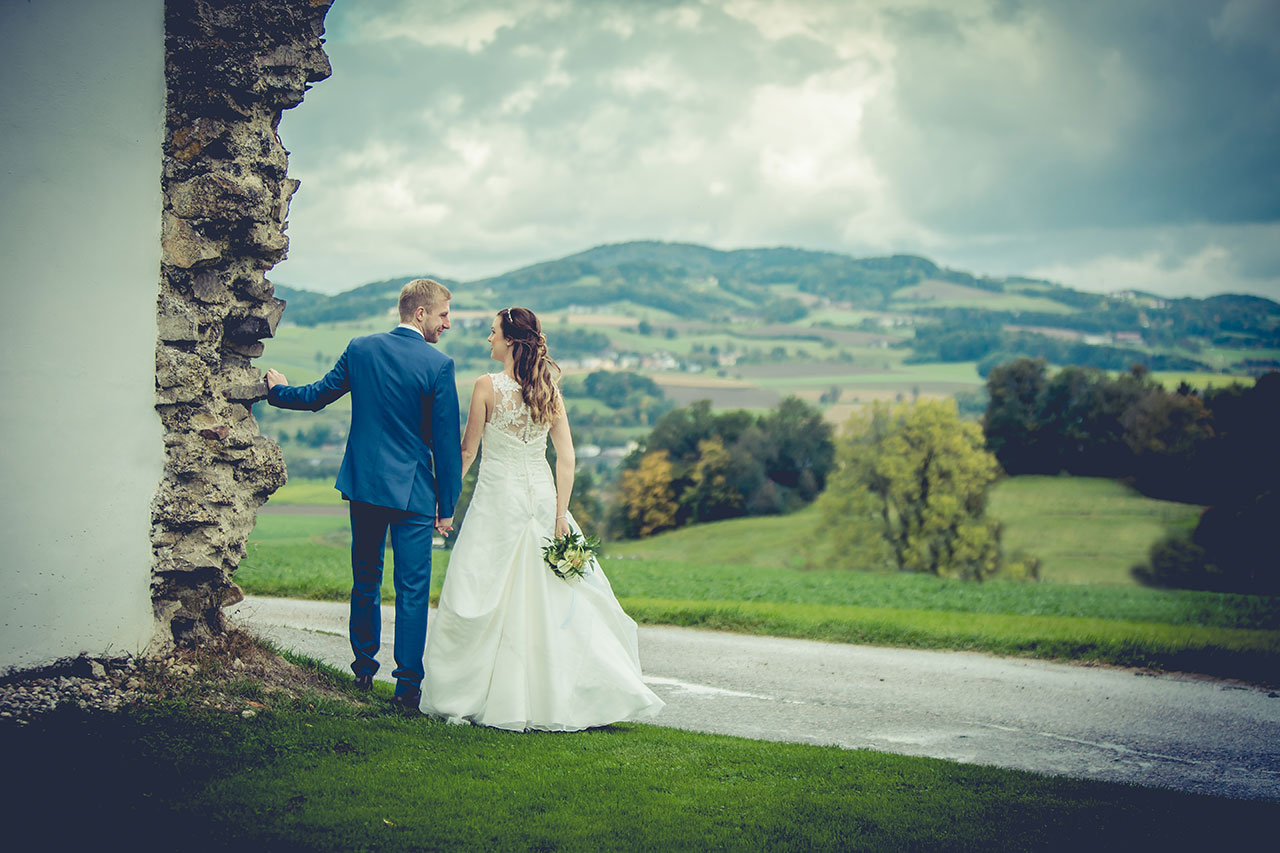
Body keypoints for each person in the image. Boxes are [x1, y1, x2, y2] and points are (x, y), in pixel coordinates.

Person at [422, 307, 664, 731]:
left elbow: (466, 453)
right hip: (541, 502)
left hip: (497, 503)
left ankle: (477, 693)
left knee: (483, 591)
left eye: (494, 333)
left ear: (512, 341)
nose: (489, 340)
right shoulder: (547, 388)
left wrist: (444, 504)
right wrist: (559, 516)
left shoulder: (485, 387)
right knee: (551, 602)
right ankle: (549, 695)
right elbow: (566, 457)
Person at [264, 279, 462, 711]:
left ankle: (363, 671)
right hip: (412, 493)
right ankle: (407, 688)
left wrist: (277, 390)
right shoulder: (439, 365)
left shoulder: (361, 349)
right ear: (420, 313)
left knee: (366, 579)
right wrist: (447, 507)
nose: (448, 323)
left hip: (366, 486)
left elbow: (317, 397)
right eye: (444, 314)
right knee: (412, 590)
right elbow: (446, 446)